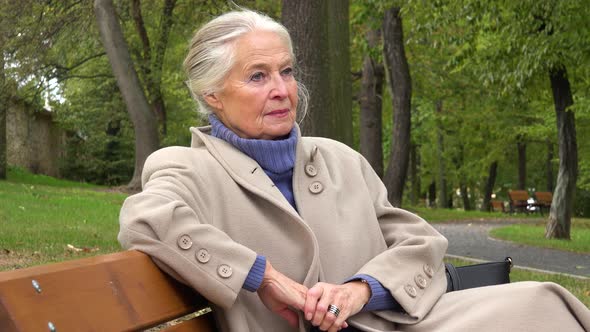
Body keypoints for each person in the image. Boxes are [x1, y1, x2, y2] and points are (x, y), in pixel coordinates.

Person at [118, 9, 590, 332]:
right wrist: (264, 277)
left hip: (391, 325)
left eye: (286, 71)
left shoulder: (338, 159)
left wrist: (363, 290)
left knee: (543, 302)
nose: (282, 89)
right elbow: (146, 220)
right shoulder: (186, 166)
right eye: (258, 76)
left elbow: (421, 244)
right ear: (212, 95)